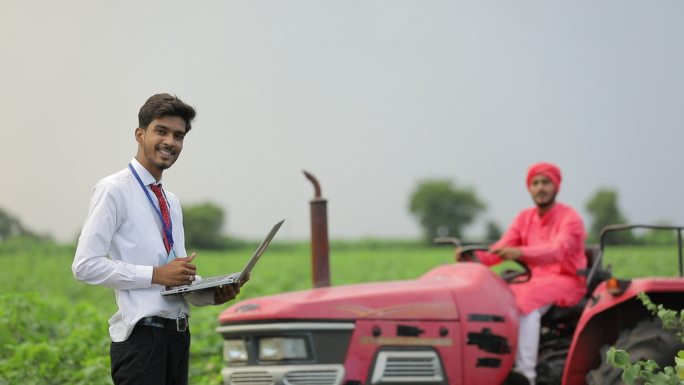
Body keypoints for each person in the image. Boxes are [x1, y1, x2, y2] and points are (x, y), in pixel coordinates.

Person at [72, 93, 246, 385]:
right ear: (140, 135)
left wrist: (210, 293)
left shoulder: (170, 200)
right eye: (161, 131)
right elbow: (85, 265)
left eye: (178, 136)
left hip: (177, 338)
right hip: (142, 341)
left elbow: (173, 278)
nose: (170, 142)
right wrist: (156, 275)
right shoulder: (113, 189)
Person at [456, 162, 586, 385]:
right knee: (495, 298)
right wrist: (472, 256)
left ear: (556, 186)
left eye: (545, 182)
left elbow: (557, 251)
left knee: (525, 304)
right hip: (533, 280)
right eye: (535, 183)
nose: (540, 188)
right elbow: (500, 249)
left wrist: (520, 252)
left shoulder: (570, 218)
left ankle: (526, 374)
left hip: (566, 279)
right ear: (529, 188)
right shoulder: (524, 218)